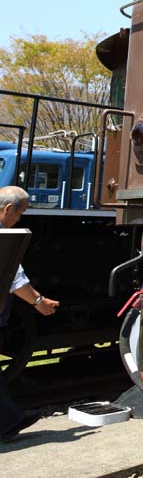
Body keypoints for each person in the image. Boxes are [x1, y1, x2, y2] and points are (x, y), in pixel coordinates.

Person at [1, 185, 59, 442]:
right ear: (8, 209)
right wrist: (38, 302)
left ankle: (9, 420)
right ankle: (8, 421)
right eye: (20, 213)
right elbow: (12, 276)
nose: (19, 219)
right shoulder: (4, 238)